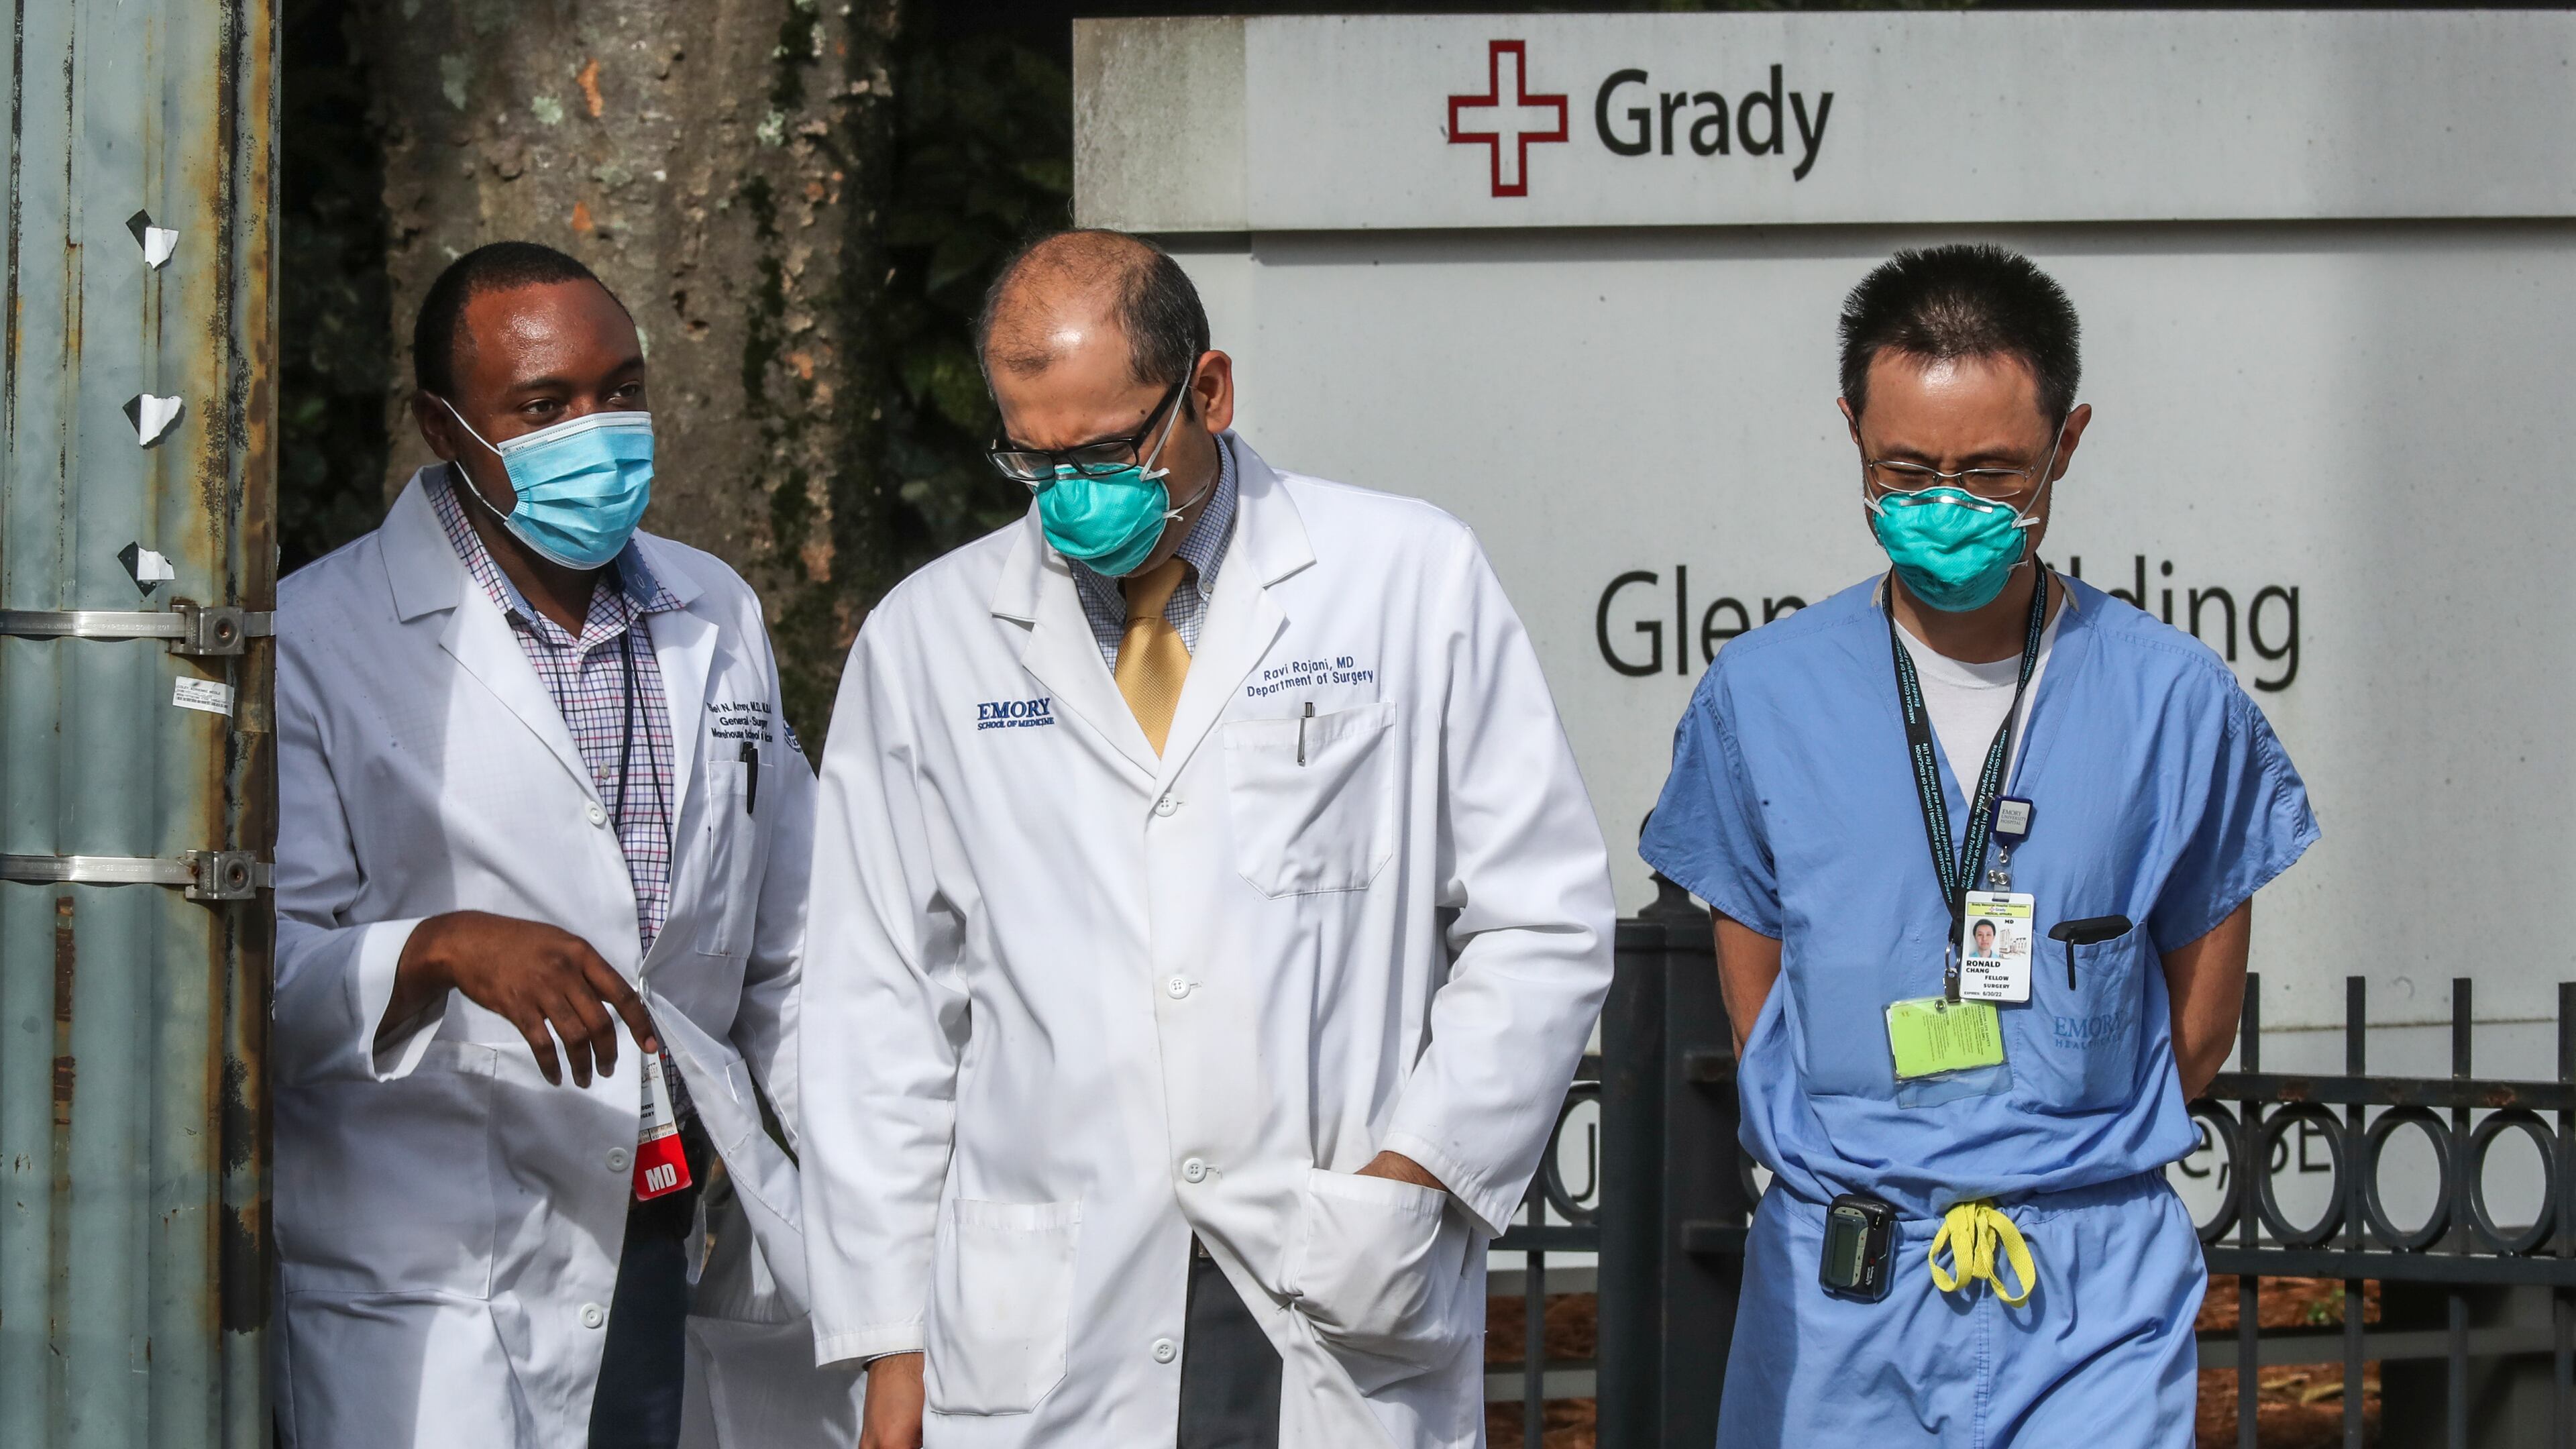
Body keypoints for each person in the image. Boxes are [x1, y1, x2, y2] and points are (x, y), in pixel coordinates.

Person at [798, 228, 1615, 1449]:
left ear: (1209, 392)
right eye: (1035, 461)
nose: (1072, 494)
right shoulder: (929, 639)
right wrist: (889, 1343)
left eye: (1109, 449)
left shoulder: (1406, 577)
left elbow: (1540, 917)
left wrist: (1422, 1169)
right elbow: (875, 1009)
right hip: (1049, 1301)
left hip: (1326, 1272)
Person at [1641, 244, 2318, 1446]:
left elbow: (2200, 1030)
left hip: (2091, 1283)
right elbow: (1761, 1017)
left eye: (1993, 472)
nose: (1945, 504)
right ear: (1850, 430)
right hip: (1844, 1286)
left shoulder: (2174, 703)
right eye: (1905, 468)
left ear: (2068, 443)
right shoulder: (1764, 700)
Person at [272, 242, 851, 1448]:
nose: (596, 430)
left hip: (659, 1224)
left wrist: (874, 1190)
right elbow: (253, 982)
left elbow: (791, 948)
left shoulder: (715, 612)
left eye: (620, 391)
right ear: (444, 426)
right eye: (542, 407)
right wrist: (434, 949)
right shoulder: (321, 636)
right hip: (431, 1265)